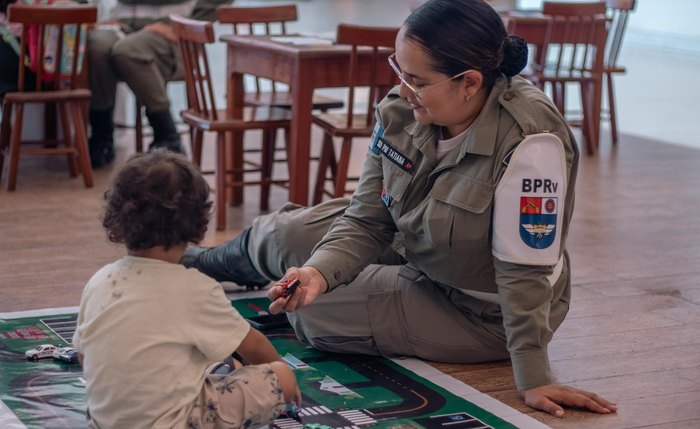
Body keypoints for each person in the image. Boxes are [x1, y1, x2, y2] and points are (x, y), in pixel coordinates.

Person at [183, 0, 618, 418]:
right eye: (400, 70)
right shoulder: (404, 109)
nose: (404, 89)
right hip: (417, 243)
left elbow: (523, 269)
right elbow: (367, 218)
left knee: (317, 310)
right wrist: (318, 272)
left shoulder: (531, 141)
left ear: (469, 82)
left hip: (480, 309)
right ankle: (202, 264)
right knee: (286, 239)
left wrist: (533, 374)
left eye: (419, 80)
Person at [73, 149, 300, 429]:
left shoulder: (100, 280)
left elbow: (85, 356)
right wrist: (278, 371)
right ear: (197, 224)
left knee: (200, 358)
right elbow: (253, 345)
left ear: (118, 218)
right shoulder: (196, 288)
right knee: (280, 376)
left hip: (105, 421)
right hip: (179, 423)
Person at [87, 0, 228, 168]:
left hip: (170, 30)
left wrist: (191, 23)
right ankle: (101, 136)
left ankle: (167, 135)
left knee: (128, 50)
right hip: (120, 22)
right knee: (96, 48)